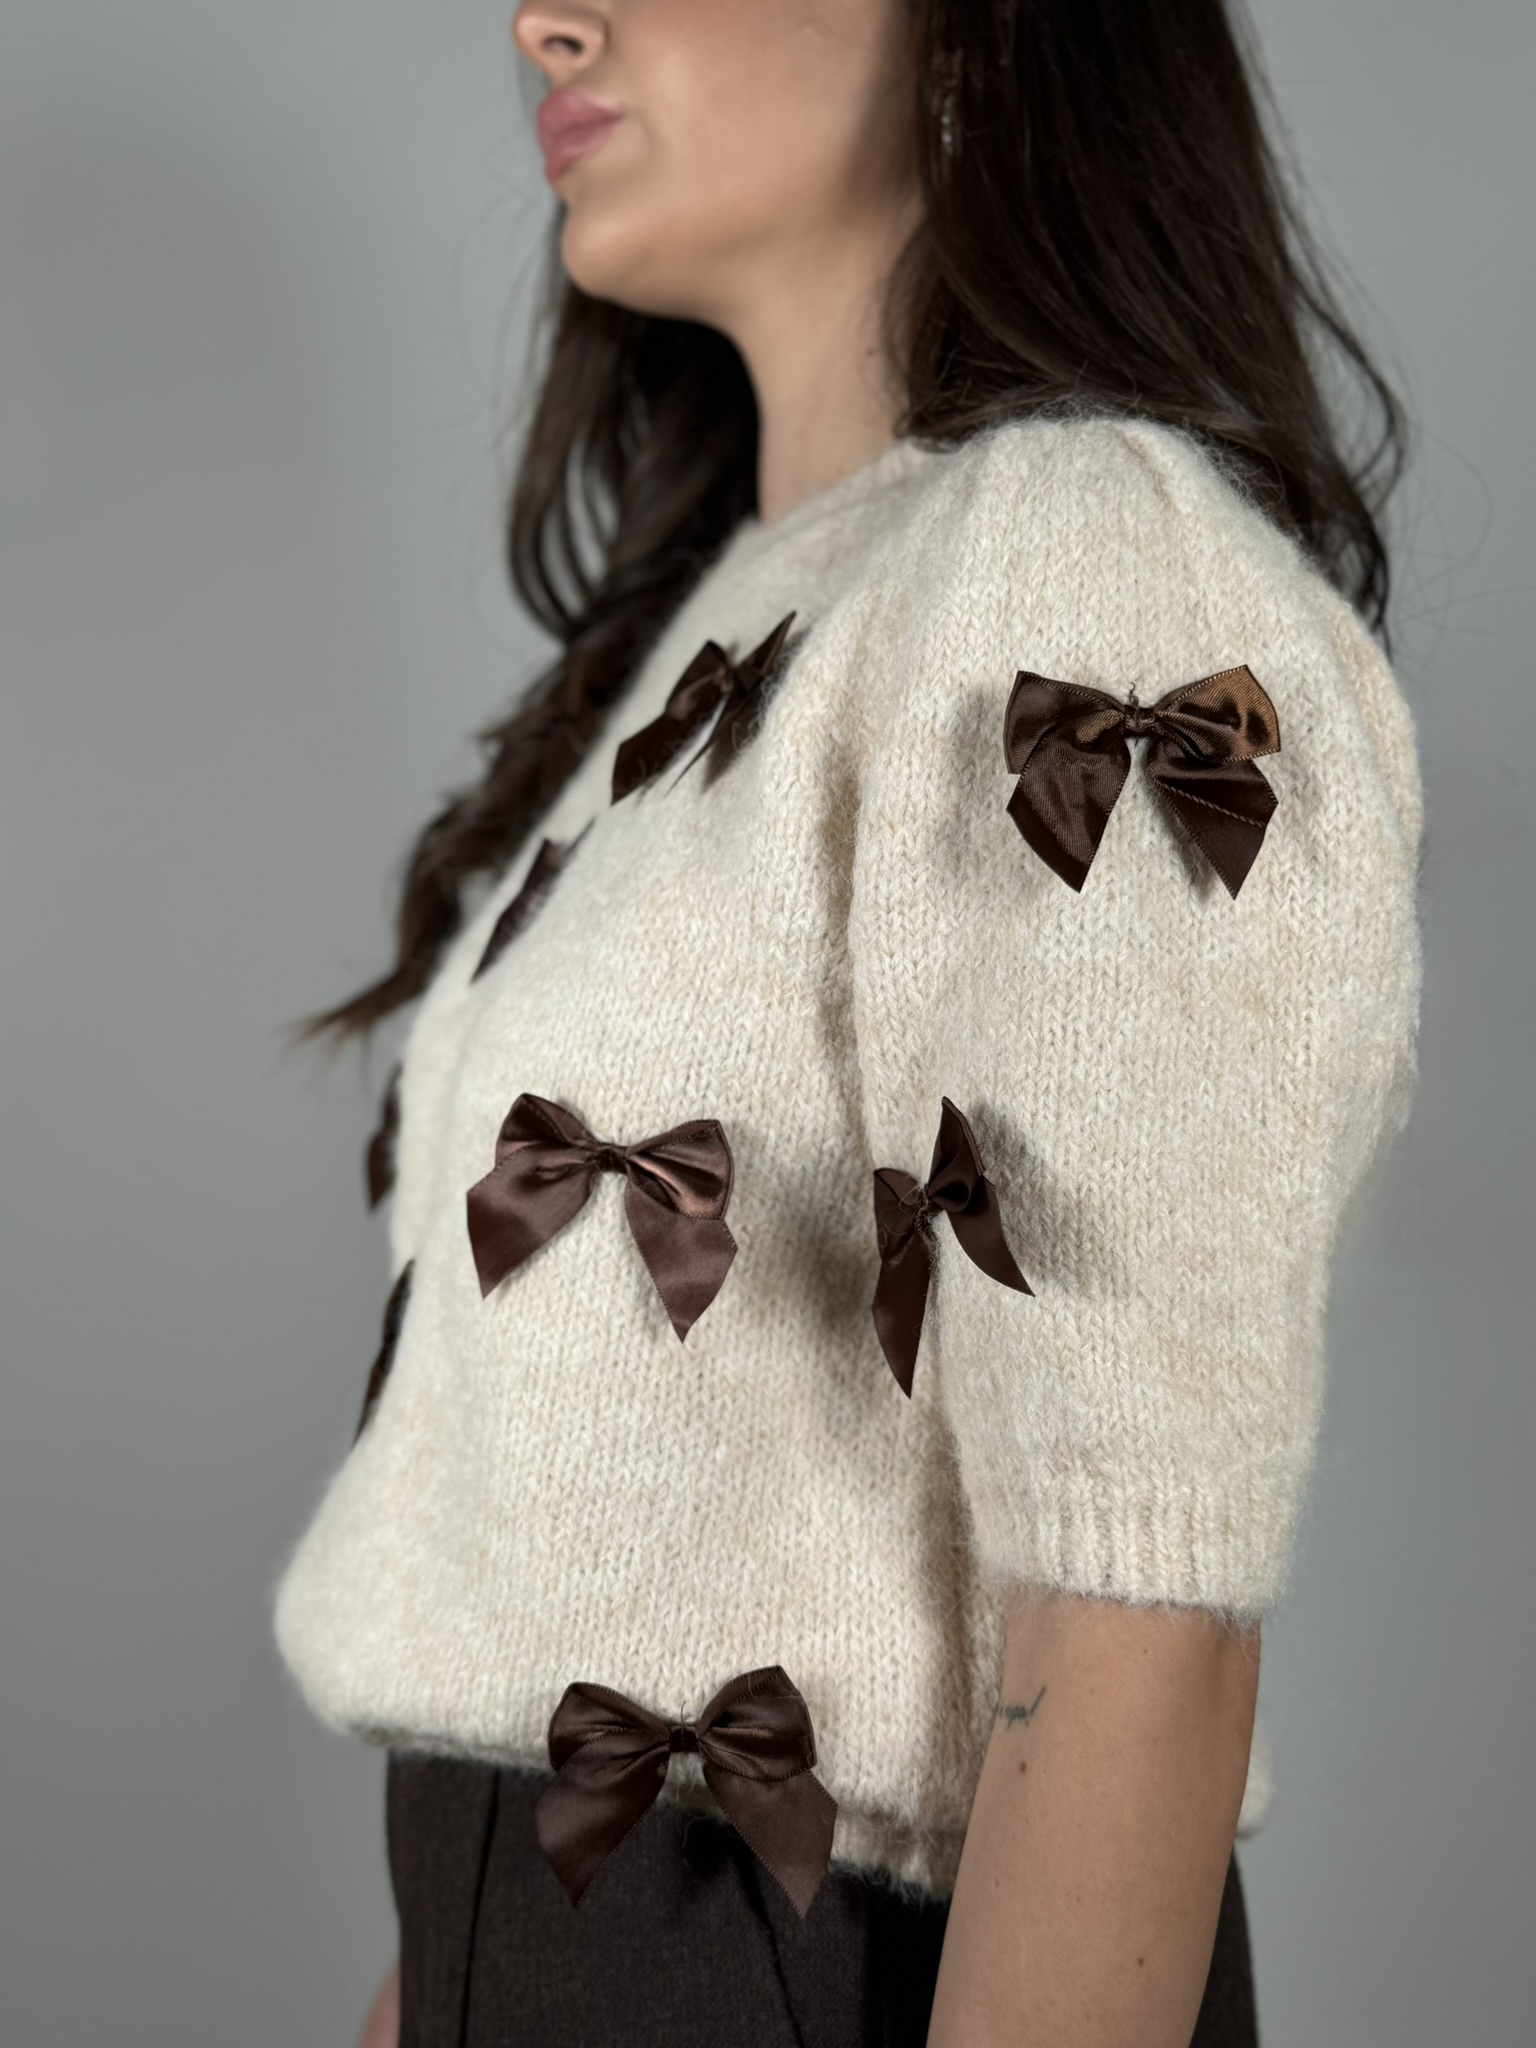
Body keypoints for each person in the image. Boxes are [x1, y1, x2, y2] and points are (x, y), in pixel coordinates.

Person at [274, 2, 1421, 2043]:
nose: (541, 19)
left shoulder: (1081, 555)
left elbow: (1136, 1620)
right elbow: (547, 1608)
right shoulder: (743, 623)